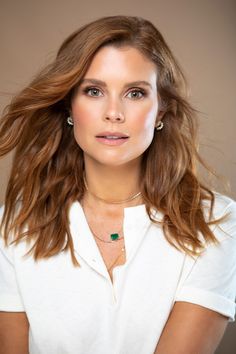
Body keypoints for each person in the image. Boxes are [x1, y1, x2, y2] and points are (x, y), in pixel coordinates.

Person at [0, 15, 235, 354]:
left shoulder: (216, 223)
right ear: (69, 105)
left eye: (135, 93)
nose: (114, 112)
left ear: (162, 111)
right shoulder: (12, 228)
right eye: (93, 91)